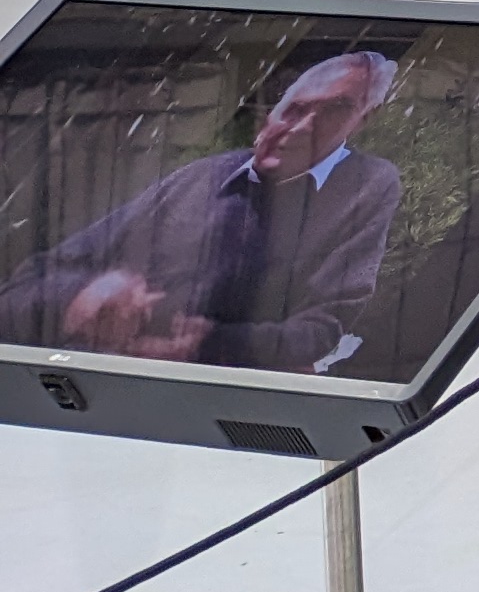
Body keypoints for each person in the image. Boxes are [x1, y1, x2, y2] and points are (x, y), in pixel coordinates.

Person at [0, 51, 404, 373]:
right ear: (272, 112)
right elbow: (28, 284)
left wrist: (208, 343)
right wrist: (82, 298)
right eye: (295, 109)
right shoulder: (204, 176)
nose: (301, 129)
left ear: (364, 118)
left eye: (334, 110)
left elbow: (320, 331)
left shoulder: (368, 185)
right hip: (105, 381)